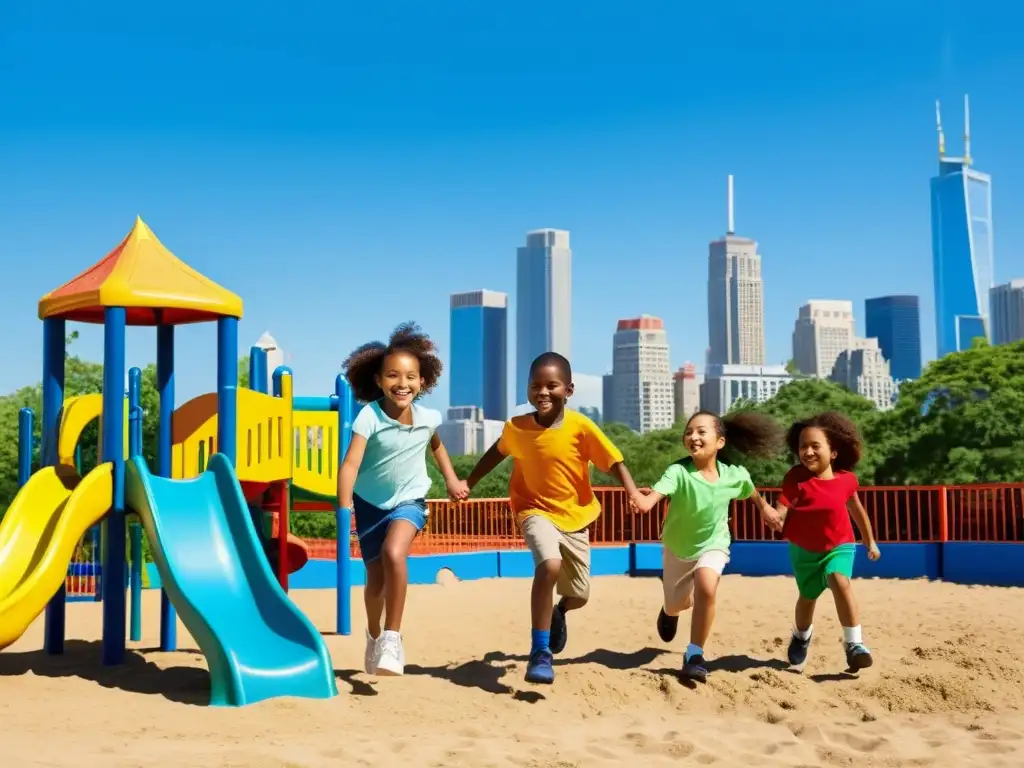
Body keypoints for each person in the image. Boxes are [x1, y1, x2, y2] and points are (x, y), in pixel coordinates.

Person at [464, 352, 639, 685]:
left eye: (551, 385)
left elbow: (614, 461)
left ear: (569, 390)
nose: (543, 392)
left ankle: (559, 611)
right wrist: (468, 483)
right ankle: (540, 652)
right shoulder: (517, 428)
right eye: (535, 386)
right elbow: (495, 454)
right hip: (533, 510)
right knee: (549, 564)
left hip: (575, 517)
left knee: (580, 595)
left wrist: (632, 492)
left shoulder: (581, 426)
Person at [337, 322, 469, 677]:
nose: (402, 383)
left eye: (411, 377)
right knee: (375, 581)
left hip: (410, 500)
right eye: (393, 376)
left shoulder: (428, 418)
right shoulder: (369, 416)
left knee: (396, 553)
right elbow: (350, 464)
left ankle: (393, 639)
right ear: (378, 380)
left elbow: (436, 446)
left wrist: (452, 480)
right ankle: (374, 634)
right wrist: (344, 503)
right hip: (368, 505)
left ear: (422, 381)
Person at [628, 410, 785, 683]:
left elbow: (751, 491)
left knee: (706, 582)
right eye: (689, 432)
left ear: (720, 442)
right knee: (677, 603)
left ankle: (694, 655)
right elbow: (653, 497)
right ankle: (669, 611)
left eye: (701, 432)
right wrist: (642, 502)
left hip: (715, 543)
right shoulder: (678, 472)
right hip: (677, 547)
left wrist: (766, 509)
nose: (693, 437)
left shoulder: (734, 475)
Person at [774, 411, 881, 673]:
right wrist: (775, 516)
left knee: (839, 580)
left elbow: (857, 512)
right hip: (804, 551)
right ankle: (801, 636)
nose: (807, 452)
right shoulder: (796, 478)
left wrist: (870, 542)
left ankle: (854, 645)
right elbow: (782, 506)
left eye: (815, 446)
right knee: (807, 598)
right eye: (803, 447)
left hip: (840, 545)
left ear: (833, 452)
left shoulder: (847, 480)